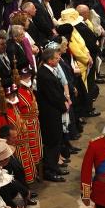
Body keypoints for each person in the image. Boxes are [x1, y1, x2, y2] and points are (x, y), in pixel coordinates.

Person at [36, 47, 68, 182]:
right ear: (49, 61)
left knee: (56, 140)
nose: (59, 58)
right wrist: (63, 105)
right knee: (52, 142)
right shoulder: (44, 75)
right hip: (49, 114)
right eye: (56, 58)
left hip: (53, 112)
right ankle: (49, 170)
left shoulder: (47, 71)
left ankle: (54, 166)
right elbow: (53, 96)